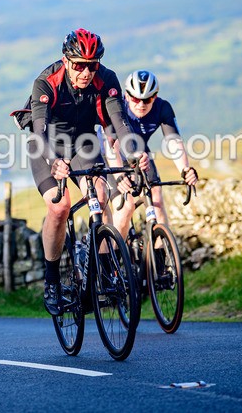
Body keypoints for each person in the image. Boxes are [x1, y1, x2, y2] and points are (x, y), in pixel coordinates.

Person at [22, 28, 149, 316]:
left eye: (92, 65)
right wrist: (54, 161)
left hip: (84, 142)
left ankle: (102, 271)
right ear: (66, 61)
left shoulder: (107, 79)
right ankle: (52, 280)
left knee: (100, 195)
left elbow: (120, 124)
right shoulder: (46, 82)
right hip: (47, 145)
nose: (86, 72)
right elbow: (39, 132)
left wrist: (135, 153)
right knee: (59, 206)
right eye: (79, 65)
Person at [107, 70, 199, 239]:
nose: (141, 104)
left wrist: (185, 170)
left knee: (156, 196)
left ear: (155, 97)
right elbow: (112, 146)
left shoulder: (162, 108)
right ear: (126, 95)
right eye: (135, 98)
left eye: (147, 99)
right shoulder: (118, 108)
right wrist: (120, 174)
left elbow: (174, 142)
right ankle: (113, 259)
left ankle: (162, 258)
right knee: (124, 207)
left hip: (141, 154)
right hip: (114, 156)